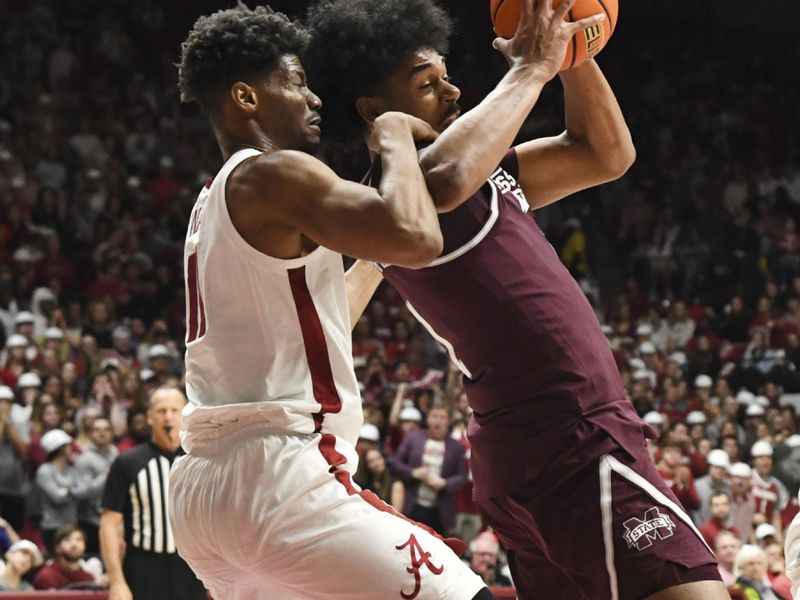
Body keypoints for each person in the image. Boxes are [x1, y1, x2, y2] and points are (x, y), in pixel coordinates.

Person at [305, 0, 727, 597]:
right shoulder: (411, 193)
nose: (452, 91)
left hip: (531, 450)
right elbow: (448, 177)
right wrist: (531, 68)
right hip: (570, 436)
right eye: (428, 84)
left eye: (446, 74)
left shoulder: (474, 176)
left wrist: (571, 50)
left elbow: (605, 154)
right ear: (375, 113)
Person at [167, 6, 489, 600]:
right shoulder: (276, 172)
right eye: (295, 82)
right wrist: (392, 134)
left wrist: (369, 252)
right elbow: (417, 238)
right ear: (246, 97)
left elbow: (323, 307)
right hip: (280, 479)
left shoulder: (213, 199)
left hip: (201, 494)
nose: (313, 99)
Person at [100, 387, 205, 600]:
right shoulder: (128, 462)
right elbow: (109, 525)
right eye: (161, 410)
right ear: (149, 417)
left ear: (185, 414)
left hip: (191, 569)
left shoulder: (200, 459)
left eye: (175, 410)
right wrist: (116, 581)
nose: (168, 417)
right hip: (143, 568)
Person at [392, 404, 467, 534]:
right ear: (427, 419)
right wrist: (412, 472)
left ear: (448, 421)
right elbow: (395, 462)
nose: (438, 421)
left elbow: (462, 476)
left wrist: (445, 483)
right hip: (413, 503)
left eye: (442, 417)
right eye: (434, 416)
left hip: (440, 509)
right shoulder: (413, 438)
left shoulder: (457, 447)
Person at [36, 428, 89, 554]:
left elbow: (84, 492)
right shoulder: (45, 470)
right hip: (53, 526)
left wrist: (67, 491)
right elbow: (57, 497)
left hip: (72, 524)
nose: (71, 448)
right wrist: (73, 491)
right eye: (68, 446)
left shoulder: (72, 470)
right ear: (59, 448)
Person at [74, 416, 117, 554]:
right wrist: (107, 473)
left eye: (106, 429)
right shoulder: (84, 459)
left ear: (112, 433)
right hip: (91, 523)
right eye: (97, 430)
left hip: (114, 520)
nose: (102, 433)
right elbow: (83, 493)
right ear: (90, 434)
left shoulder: (116, 454)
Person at [33, 524, 95, 590]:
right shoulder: (47, 576)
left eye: (79, 540)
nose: (74, 544)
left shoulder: (88, 579)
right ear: (57, 548)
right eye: (67, 540)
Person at [694, 448, 732, 525]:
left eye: (723, 468)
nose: (720, 471)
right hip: (700, 531)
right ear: (709, 467)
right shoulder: (697, 486)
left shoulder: (727, 488)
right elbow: (695, 514)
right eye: (717, 467)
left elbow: (729, 514)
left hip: (721, 533)